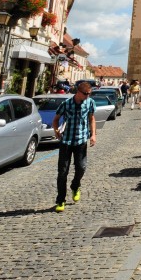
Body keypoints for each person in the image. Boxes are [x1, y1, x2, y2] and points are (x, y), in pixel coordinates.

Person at [51, 81, 97, 212]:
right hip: (66, 142)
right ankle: (61, 200)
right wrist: (56, 131)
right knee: (62, 172)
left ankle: (75, 185)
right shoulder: (66, 104)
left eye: (89, 94)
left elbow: (92, 118)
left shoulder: (90, 103)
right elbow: (55, 119)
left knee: (81, 167)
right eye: (85, 94)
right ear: (78, 91)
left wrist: (93, 134)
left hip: (81, 141)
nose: (88, 96)